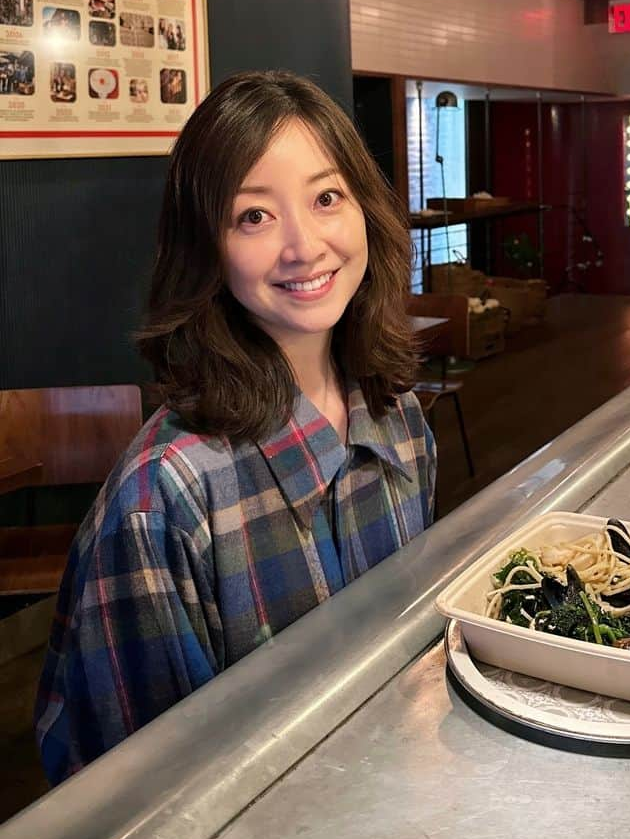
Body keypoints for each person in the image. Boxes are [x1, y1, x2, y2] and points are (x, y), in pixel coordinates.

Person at [35, 70, 435, 784]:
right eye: (254, 216)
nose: (304, 246)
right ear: (206, 249)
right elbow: (130, 790)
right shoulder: (163, 501)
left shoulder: (396, 414)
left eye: (326, 198)